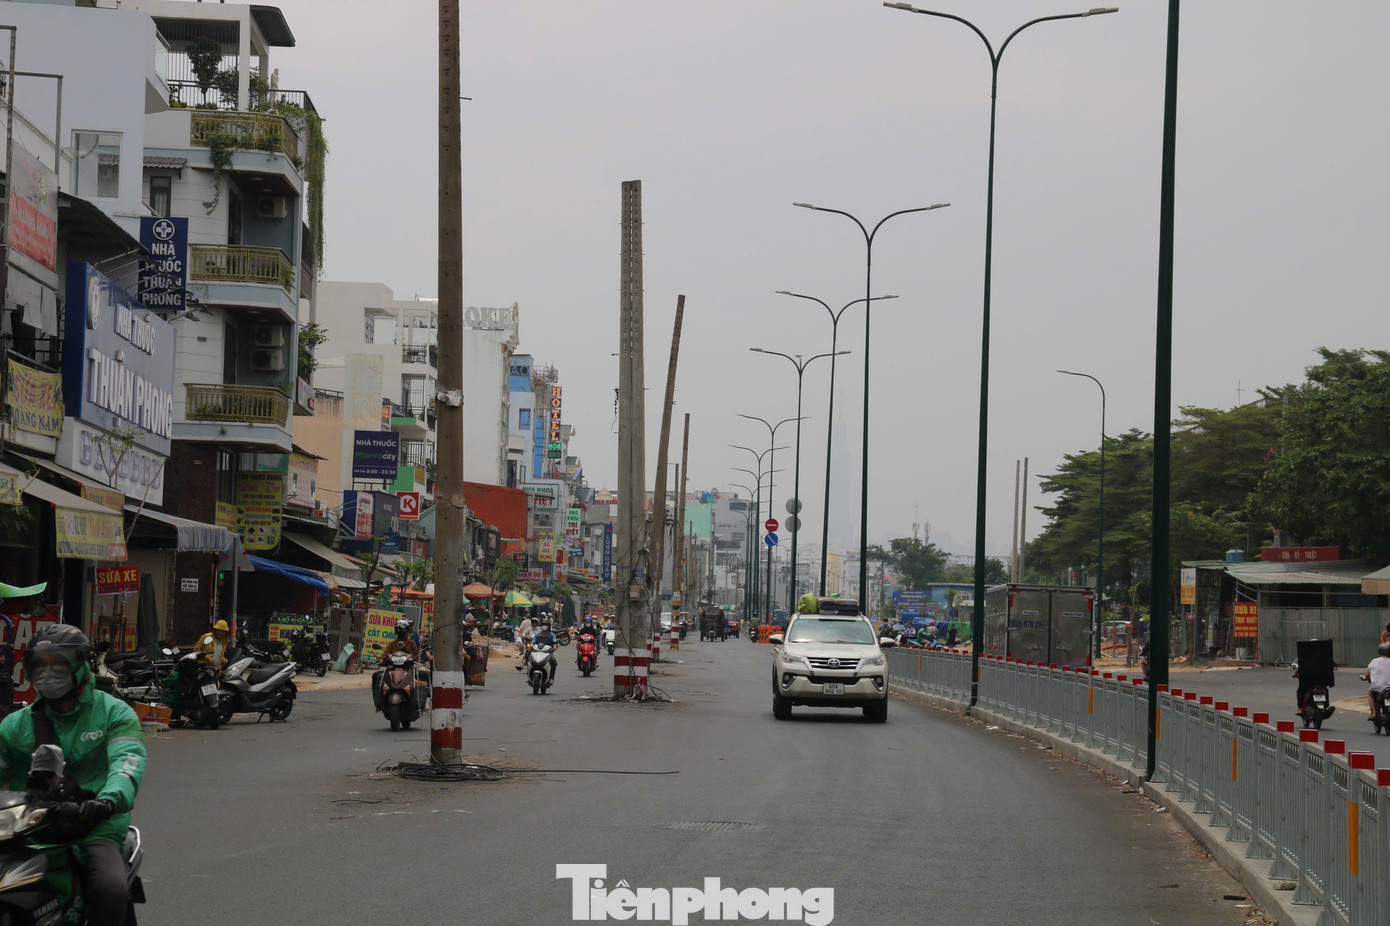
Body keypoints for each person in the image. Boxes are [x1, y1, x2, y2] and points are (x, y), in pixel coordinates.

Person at [0, 625, 146, 926]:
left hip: (93, 828)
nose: (47, 673)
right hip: (26, 829)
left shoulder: (115, 714)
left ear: (81, 668)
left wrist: (107, 801)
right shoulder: (14, 725)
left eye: (58, 664)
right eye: (39, 665)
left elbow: (127, 763)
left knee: (110, 890)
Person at [1361, 642, 1390, 721]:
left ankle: (1374, 713)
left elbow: (1368, 675)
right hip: (1389, 689)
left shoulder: (1374, 661)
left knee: (1370, 694)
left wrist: (1364, 677)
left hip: (1377, 689)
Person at [530, 620, 558, 684]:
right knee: (529, 659)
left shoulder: (552, 635)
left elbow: (555, 642)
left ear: (548, 626)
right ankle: (530, 677)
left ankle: (551, 678)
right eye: (543, 625)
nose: (544, 626)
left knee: (554, 662)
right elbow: (533, 642)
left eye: (546, 625)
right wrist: (531, 645)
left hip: (548, 654)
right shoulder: (537, 635)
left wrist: (555, 646)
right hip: (537, 653)